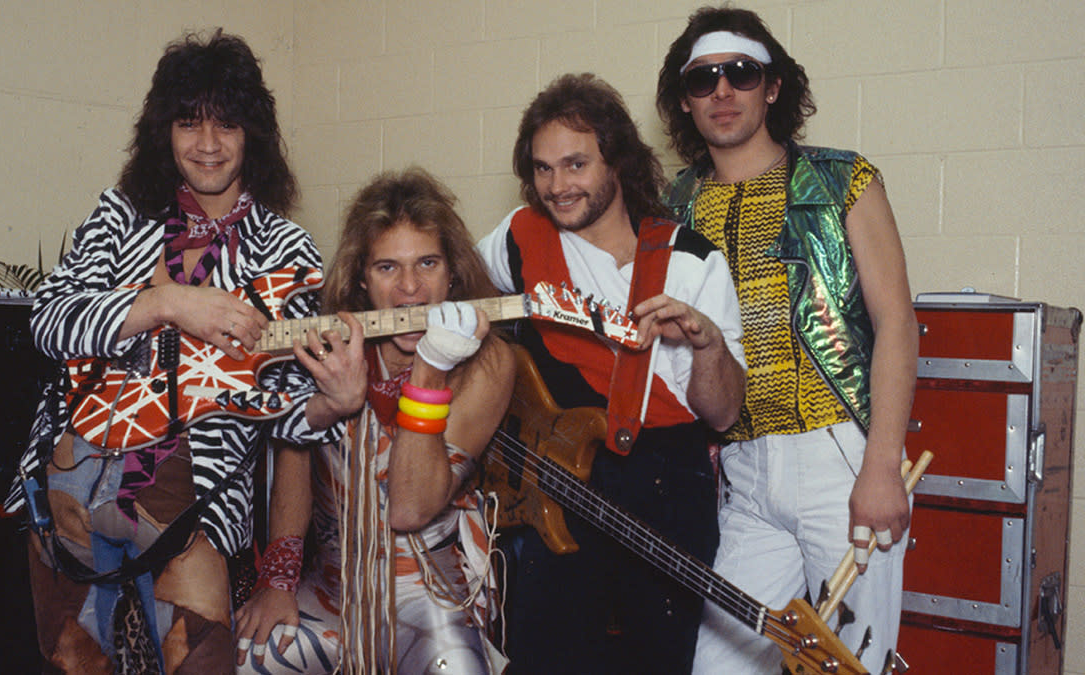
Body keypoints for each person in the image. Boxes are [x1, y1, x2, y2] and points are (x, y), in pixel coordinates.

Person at [2, 31, 362, 673]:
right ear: (163, 131)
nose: (207, 144)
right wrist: (168, 303)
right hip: (69, 485)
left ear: (252, 134)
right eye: (188, 123)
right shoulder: (122, 215)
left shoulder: (288, 252)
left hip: (192, 509)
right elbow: (50, 320)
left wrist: (333, 404)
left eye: (226, 124)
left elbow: (280, 411)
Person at [657, 7, 919, 673]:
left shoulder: (841, 180)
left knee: (849, 663)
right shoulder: (671, 207)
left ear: (773, 87)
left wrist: (882, 463)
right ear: (684, 101)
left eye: (741, 73)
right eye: (703, 78)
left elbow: (896, 321)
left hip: (841, 458)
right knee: (718, 663)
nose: (722, 91)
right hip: (741, 472)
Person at [476, 73, 746, 674]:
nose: (557, 186)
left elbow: (724, 413)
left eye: (575, 165)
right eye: (542, 169)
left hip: (666, 490)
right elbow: (455, 290)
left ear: (617, 162)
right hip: (553, 486)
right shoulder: (521, 236)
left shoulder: (693, 260)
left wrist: (707, 344)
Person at [233, 167, 516, 674]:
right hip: (333, 587)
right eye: (388, 267)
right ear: (362, 279)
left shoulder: (488, 362)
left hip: (431, 589)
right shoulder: (328, 345)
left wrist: (430, 365)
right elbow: (294, 459)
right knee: (251, 658)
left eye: (427, 263)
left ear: (452, 271)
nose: (411, 288)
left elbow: (408, 507)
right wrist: (278, 581)